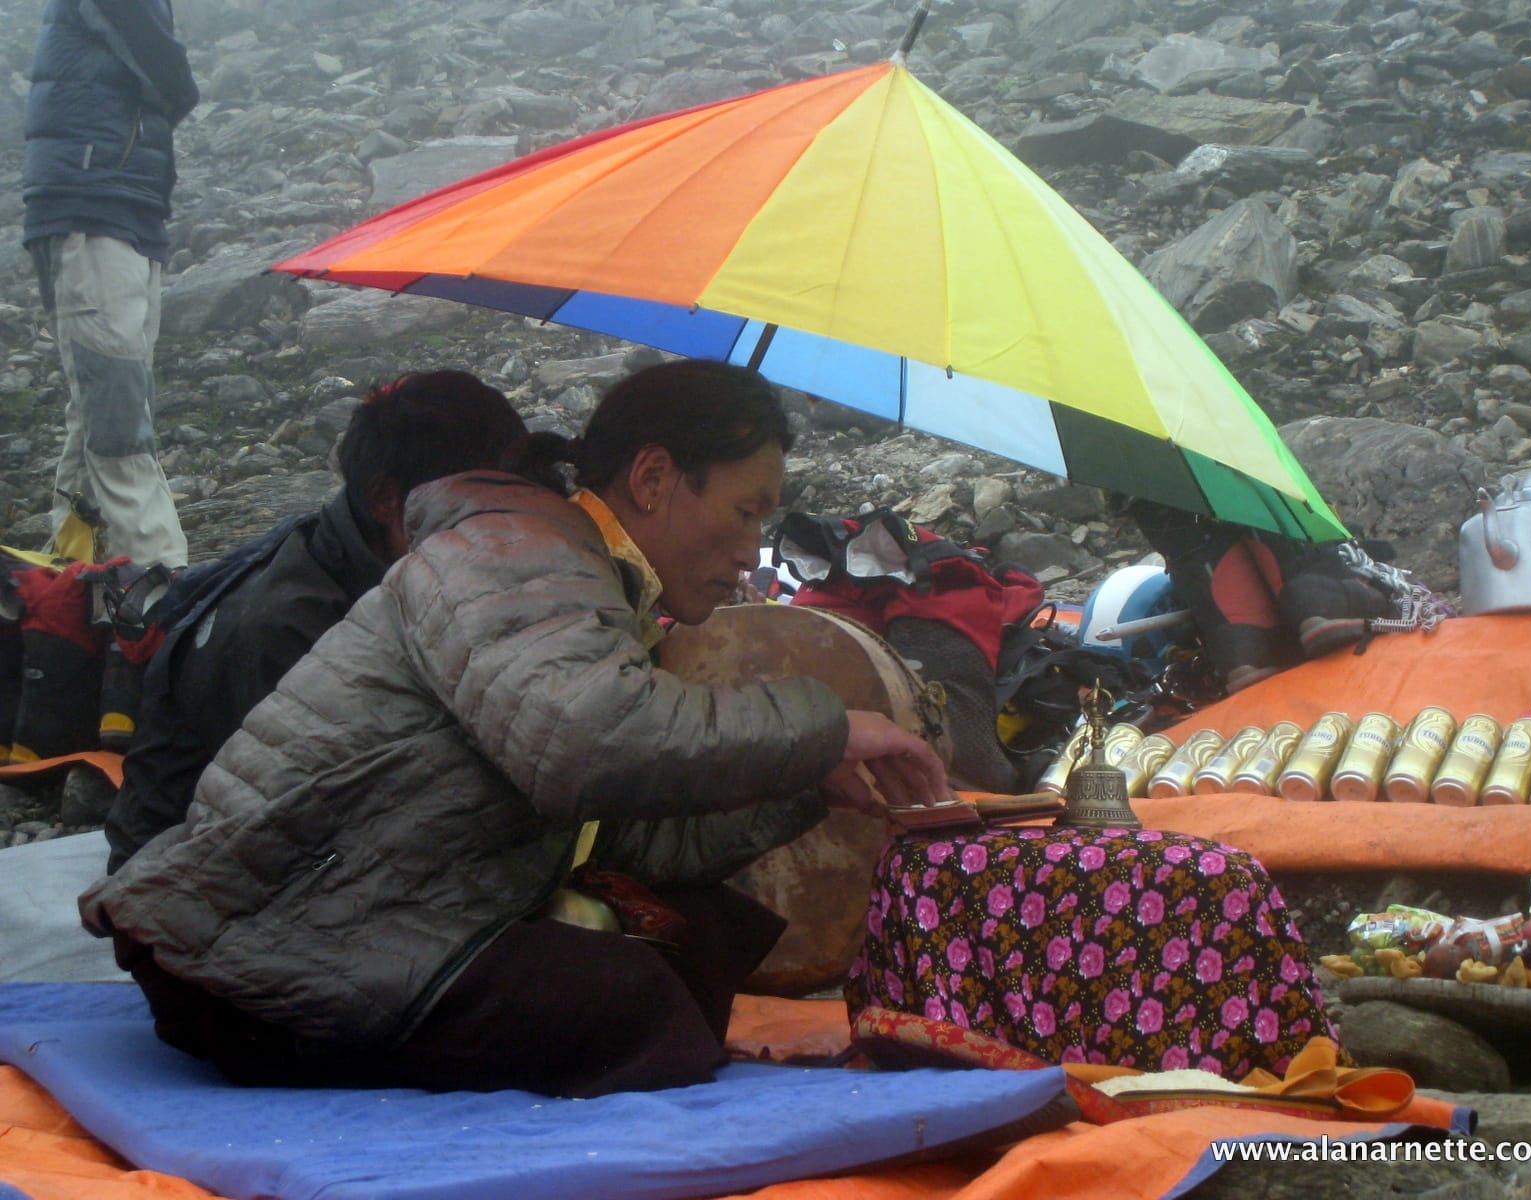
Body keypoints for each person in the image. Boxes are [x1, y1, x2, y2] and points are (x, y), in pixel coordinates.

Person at [80, 359, 949, 1098]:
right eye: (745, 512)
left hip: (354, 911)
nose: (752, 551)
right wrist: (824, 726)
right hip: (263, 948)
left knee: (700, 936)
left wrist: (802, 780)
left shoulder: (594, 582)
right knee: (636, 1005)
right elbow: (585, 743)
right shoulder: (519, 552)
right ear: (653, 479)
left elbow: (634, 842)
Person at [101, 371, 530, 874]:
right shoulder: (286, 630)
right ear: (387, 500)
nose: (496, 532)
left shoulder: (369, 557)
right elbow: (335, 827)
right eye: (471, 511)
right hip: (186, 884)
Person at [22, 0, 198, 568]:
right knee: (117, 414)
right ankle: (159, 582)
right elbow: (169, 71)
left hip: (128, 207)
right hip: (91, 204)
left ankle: (72, 577)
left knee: (103, 404)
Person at [1122, 498, 1394, 693]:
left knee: (1161, 484)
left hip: (1229, 634)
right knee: (1230, 452)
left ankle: (1244, 640)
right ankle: (1314, 597)